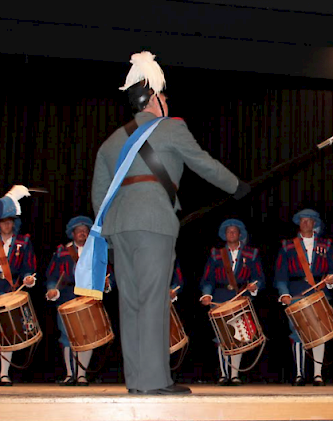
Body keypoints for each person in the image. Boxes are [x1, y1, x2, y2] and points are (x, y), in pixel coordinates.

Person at [91, 51, 250, 395]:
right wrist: (237, 186)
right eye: (163, 95)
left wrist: (108, 234)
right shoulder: (172, 127)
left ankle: (137, 381)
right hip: (153, 223)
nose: (167, 100)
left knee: (131, 303)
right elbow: (203, 164)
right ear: (152, 99)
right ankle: (156, 382)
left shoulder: (110, 142)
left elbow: (99, 196)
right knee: (152, 301)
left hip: (119, 228)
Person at [274, 209, 333, 386]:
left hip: (319, 294)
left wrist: (331, 279)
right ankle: (299, 374)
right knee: (298, 334)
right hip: (296, 294)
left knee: (320, 333)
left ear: (315, 223)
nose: (305, 223)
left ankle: (318, 375)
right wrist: (284, 293)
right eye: (302, 220)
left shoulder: (326, 245)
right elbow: (280, 274)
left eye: (309, 220)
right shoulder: (287, 245)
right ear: (299, 223)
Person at [45, 216, 113, 386]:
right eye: (79, 230)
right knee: (67, 336)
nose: (82, 233)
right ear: (72, 234)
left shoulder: (97, 252)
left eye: (85, 230)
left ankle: (81, 375)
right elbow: (52, 276)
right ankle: (70, 374)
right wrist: (52, 290)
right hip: (67, 298)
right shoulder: (62, 252)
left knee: (87, 336)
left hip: (89, 298)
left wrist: (106, 283)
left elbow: (108, 276)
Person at [199, 219, 264, 386]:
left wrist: (253, 286)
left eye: (234, 231)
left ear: (240, 234)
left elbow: (259, 278)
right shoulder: (216, 254)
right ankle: (223, 374)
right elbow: (207, 279)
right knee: (221, 337)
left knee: (239, 335)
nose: (232, 234)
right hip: (220, 298)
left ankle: (234, 375)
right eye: (229, 232)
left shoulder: (251, 254)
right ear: (224, 235)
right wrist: (206, 295)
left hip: (240, 298)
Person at [0, 215, 37, 386]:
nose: (7, 225)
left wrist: (29, 278)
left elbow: (28, 267)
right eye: (3, 221)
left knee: (7, 333)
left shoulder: (23, 242)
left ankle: (3, 374)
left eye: (10, 221)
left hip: (10, 289)